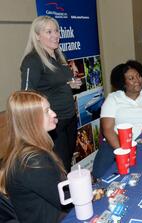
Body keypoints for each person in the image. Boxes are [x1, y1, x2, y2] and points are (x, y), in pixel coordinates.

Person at [20, 16, 81, 172]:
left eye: (56, 30)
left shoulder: (58, 56)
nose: (56, 35)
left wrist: (71, 84)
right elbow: (26, 96)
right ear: (37, 36)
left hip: (70, 119)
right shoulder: (32, 60)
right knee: (60, 168)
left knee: (67, 163)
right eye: (49, 31)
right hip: (54, 125)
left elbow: (56, 83)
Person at [92, 60, 142, 177]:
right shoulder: (113, 99)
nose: (137, 81)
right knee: (101, 176)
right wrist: (123, 152)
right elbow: (108, 130)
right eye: (131, 78)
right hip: (115, 144)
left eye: (138, 76)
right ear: (123, 83)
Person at [0, 91, 67, 223]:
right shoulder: (32, 161)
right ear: (31, 119)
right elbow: (65, 200)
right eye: (47, 111)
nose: (54, 114)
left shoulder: (29, 150)